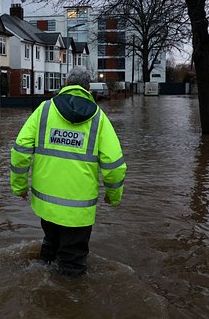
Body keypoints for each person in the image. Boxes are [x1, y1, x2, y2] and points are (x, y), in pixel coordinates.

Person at [10, 66, 127, 277]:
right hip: (78, 211)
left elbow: (20, 151)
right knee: (73, 262)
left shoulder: (44, 110)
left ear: (66, 84)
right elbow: (114, 166)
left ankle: (42, 284)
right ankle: (68, 303)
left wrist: (19, 186)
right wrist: (113, 196)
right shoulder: (99, 119)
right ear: (88, 88)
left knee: (50, 244)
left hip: (46, 206)